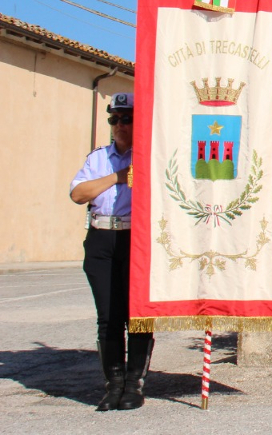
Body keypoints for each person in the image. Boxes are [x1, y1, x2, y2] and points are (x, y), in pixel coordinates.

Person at [69, 93, 155, 411]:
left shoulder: (148, 157)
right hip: (101, 238)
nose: (119, 125)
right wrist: (116, 177)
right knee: (108, 317)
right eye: (114, 119)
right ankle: (114, 385)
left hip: (135, 237)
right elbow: (79, 193)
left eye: (126, 118)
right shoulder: (98, 159)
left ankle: (134, 385)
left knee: (139, 315)